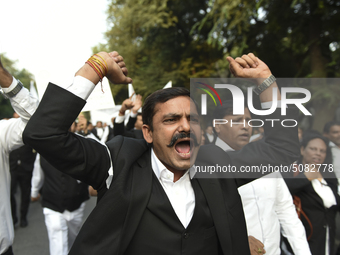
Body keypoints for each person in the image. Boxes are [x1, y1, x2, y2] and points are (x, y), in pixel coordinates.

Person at [23, 51, 299, 254]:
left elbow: (282, 148)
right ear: (147, 133)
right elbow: (44, 134)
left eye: (192, 119)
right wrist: (96, 67)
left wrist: (265, 81)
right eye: (171, 120)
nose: (184, 127)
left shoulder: (215, 163)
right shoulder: (119, 161)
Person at [213, 98, 311, 255]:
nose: (245, 126)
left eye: (249, 121)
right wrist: (237, 242)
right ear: (217, 125)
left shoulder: (266, 161)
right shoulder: (206, 165)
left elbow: (286, 211)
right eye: (237, 120)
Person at [0, 55, 39, 255]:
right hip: (14, 168)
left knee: (22, 195)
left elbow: (37, 121)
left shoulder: (1, 132)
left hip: (3, 248)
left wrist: (3, 77)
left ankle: (21, 218)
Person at [285, 133, 339, 255]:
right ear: (302, 150)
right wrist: (305, 177)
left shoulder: (329, 177)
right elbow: (282, 190)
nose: (318, 153)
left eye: (322, 151)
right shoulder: (293, 171)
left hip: (326, 241)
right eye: (313, 149)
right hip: (301, 242)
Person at [31, 152, 89, 255]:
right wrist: (34, 192)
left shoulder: (80, 146)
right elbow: (37, 175)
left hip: (76, 204)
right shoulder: (42, 153)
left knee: (73, 238)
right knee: (58, 242)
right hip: (52, 204)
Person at [10, 143, 37, 227]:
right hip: (12, 168)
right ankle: (13, 217)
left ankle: (23, 217)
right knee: (10, 193)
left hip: (26, 168)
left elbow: (35, 151)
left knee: (25, 194)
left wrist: (31, 164)